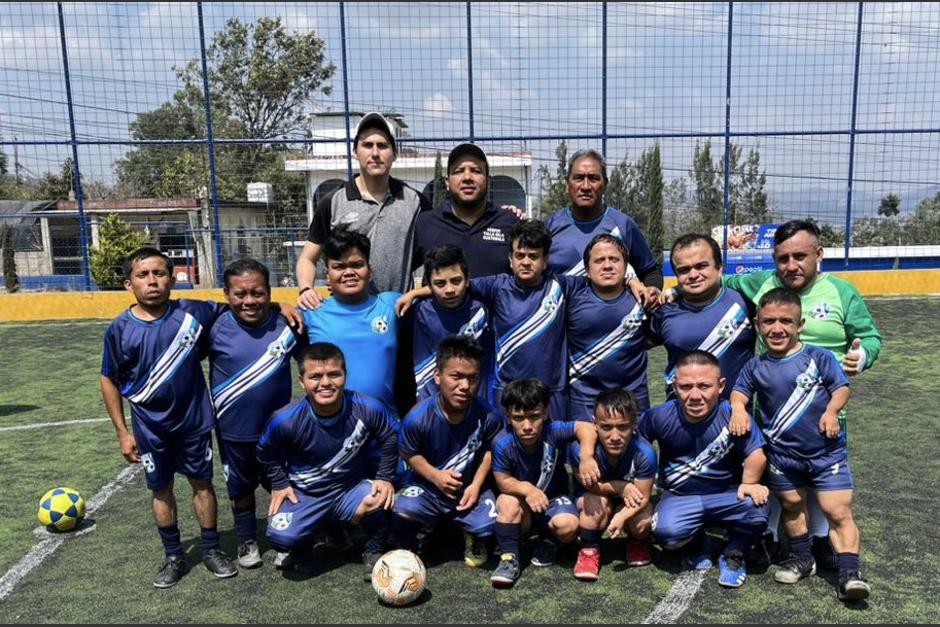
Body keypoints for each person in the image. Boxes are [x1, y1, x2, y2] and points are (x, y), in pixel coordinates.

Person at [719, 219, 883, 569]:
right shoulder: (761, 284)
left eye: (800, 256)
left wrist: (862, 355)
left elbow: (870, 337)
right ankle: (779, 541)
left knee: (822, 484)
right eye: (782, 258)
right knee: (784, 484)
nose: (791, 266)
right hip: (776, 414)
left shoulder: (842, 291)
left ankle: (822, 542)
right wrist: (672, 291)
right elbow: (721, 281)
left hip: (825, 414)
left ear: (819, 254)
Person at [100, 247, 237, 588]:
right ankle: (174, 556)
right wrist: (122, 432)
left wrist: (283, 305)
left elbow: (244, 306)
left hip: (194, 423)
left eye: (159, 273)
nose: (152, 281)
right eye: (143, 275)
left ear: (172, 277)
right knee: (161, 490)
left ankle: (210, 549)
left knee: (202, 484)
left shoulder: (193, 312)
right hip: (149, 429)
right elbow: (109, 379)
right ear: (128, 283)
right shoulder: (119, 329)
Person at [730, 288, 869, 601]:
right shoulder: (755, 366)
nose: (777, 328)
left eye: (786, 321)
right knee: (792, 507)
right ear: (757, 324)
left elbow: (841, 389)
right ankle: (803, 559)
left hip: (826, 454)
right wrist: (738, 409)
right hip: (782, 458)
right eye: (768, 322)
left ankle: (850, 573)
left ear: (800, 324)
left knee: (837, 511)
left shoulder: (818, 357)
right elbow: (739, 392)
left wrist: (832, 412)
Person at [256, 342, 398, 581]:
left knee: (386, 500)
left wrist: (384, 478)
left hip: (350, 489)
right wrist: (279, 483)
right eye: (315, 377)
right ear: (302, 382)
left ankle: (373, 549)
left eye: (334, 374)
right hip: (307, 494)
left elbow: (390, 439)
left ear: (345, 376)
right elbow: (265, 452)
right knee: (281, 536)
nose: (325, 383)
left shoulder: (368, 408)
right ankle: (307, 544)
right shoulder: (284, 419)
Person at [638, 350, 769, 589]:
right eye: (686, 386)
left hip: (725, 494)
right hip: (680, 496)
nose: (695, 395)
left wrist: (749, 483)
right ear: (674, 385)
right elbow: (636, 445)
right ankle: (698, 543)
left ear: (720, 386)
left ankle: (734, 551)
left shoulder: (734, 415)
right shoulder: (658, 416)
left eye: (704, 386)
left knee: (757, 508)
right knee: (666, 533)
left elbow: (756, 454)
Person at [208, 258, 305, 569]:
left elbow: (312, 367)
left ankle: (285, 538)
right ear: (227, 294)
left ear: (269, 292)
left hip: (278, 432)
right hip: (233, 431)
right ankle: (247, 539)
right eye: (240, 294)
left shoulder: (287, 325)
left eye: (258, 293)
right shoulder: (214, 326)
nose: (249, 301)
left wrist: (282, 306)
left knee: (286, 484)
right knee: (240, 489)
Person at [296, 111, 431, 307]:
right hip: (348, 316)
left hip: (396, 316)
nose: (375, 153)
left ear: (394, 154)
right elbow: (308, 258)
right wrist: (306, 289)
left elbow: (435, 254)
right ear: (355, 152)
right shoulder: (333, 201)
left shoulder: (415, 201)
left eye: (382, 146)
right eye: (367, 145)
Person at [392, 336, 504, 568]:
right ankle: (416, 540)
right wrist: (436, 477)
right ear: (437, 376)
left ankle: (471, 535)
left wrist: (476, 486)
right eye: (456, 377)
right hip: (429, 489)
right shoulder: (417, 417)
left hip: (469, 492)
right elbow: (408, 453)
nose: (464, 386)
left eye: (472, 378)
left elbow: (490, 451)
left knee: (492, 524)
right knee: (401, 509)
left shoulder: (488, 415)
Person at [488, 379, 601, 587]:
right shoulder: (502, 443)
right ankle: (509, 558)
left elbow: (586, 428)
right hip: (522, 506)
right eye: (518, 418)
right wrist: (527, 489)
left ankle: (548, 541)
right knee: (506, 501)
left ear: (546, 413)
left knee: (569, 526)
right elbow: (502, 481)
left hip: (553, 500)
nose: (527, 426)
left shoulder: (553, 430)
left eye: (534, 417)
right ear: (508, 416)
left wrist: (586, 456)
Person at [303, 226, 403, 418]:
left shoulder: (391, 304)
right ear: (328, 277)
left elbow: (438, 297)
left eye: (357, 265)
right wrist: (280, 307)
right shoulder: (311, 312)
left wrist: (417, 292)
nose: (349, 272)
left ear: (370, 271)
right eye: (339, 267)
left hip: (385, 425)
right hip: (331, 429)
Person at [649, 234, 755, 400]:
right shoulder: (664, 311)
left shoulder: (746, 304)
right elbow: (628, 349)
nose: (693, 275)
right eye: (684, 270)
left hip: (736, 418)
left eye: (701, 266)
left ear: (719, 267)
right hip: (681, 417)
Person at [544, 148, 663, 293]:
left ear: (605, 184)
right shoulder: (550, 226)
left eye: (593, 178)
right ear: (567, 184)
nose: (586, 186)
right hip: (561, 314)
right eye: (578, 178)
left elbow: (650, 271)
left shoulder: (623, 225)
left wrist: (653, 290)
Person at [568, 388, 656, 581]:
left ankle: (637, 542)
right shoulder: (579, 451)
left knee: (643, 519)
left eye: (623, 427)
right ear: (594, 424)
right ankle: (589, 548)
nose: (615, 436)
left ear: (634, 424)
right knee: (595, 502)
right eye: (606, 427)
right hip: (595, 498)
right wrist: (620, 487)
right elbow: (590, 485)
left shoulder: (645, 452)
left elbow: (644, 496)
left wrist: (622, 516)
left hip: (630, 502)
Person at [566, 233, 651, 421]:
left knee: (645, 451)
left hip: (633, 400)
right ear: (587, 270)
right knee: (581, 451)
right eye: (599, 260)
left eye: (614, 259)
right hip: (585, 402)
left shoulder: (644, 300)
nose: (607, 265)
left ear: (626, 266)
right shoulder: (570, 299)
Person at [413, 143, 520, 278]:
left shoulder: (510, 222)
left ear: (488, 181)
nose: (467, 178)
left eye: (476, 171)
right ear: (447, 182)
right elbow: (399, 270)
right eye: (458, 171)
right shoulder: (425, 223)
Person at [411, 245, 495, 402]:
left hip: (474, 404)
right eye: (440, 283)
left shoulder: (481, 312)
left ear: (468, 280)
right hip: (429, 405)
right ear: (428, 285)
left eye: (456, 281)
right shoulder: (417, 311)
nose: (449, 289)